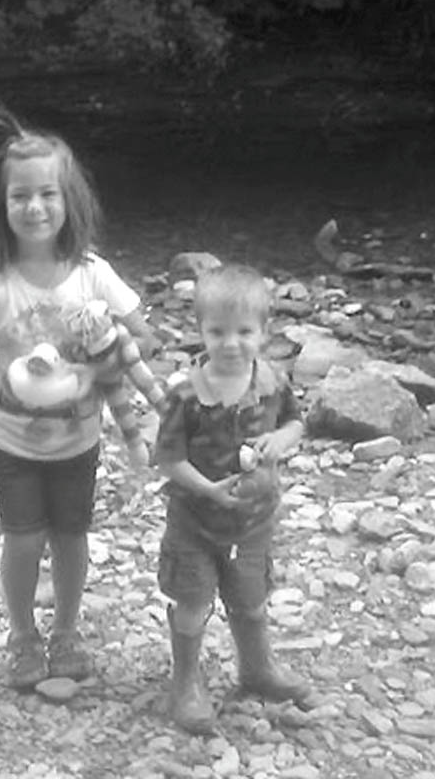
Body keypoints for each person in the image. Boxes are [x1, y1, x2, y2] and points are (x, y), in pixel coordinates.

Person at [0, 99, 155, 689]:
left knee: (73, 539)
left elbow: (145, 341)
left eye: (47, 194)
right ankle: (23, 633)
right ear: (0, 205)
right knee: (23, 540)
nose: (34, 206)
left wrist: (109, 329)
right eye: (20, 195)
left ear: (68, 200)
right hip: (11, 443)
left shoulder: (92, 272)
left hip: (78, 441)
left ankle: (68, 630)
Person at [153, 264, 311, 735]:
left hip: (254, 520)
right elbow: (168, 458)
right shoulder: (185, 394)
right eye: (217, 331)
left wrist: (282, 441)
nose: (230, 343)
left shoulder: (272, 382)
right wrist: (205, 487)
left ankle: (256, 666)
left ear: (264, 332)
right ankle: (186, 682)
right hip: (195, 521)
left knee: (251, 599)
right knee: (192, 603)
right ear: (199, 331)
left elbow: (296, 422)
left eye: (244, 331)